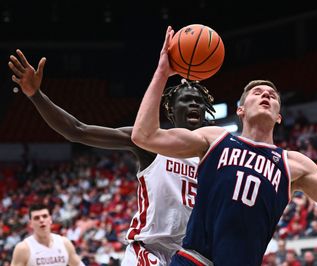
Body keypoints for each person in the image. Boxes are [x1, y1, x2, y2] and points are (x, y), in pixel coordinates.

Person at [131, 26, 317, 266]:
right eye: (257, 92)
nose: (266, 95)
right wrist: (162, 73)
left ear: (279, 116)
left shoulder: (293, 164)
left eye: (272, 96)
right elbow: (145, 136)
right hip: (193, 261)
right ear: (240, 109)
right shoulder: (214, 138)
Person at [8, 49, 215, 266]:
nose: (194, 104)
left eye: (199, 101)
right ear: (171, 110)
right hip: (148, 253)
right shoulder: (150, 142)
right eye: (187, 100)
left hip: (191, 255)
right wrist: (36, 95)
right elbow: (77, 130)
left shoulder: (216, 155)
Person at [10, 203, 83, 266]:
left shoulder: (64, 243)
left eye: (44, 216)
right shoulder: (23, 248)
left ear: (50, 219)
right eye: (36, 218)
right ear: (30, 224)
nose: (41, 220)